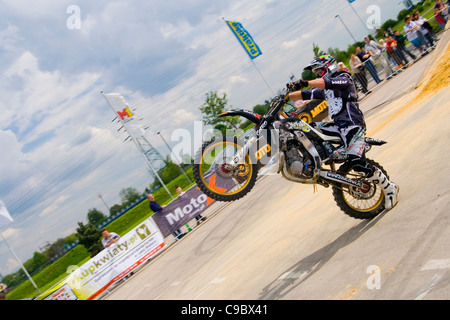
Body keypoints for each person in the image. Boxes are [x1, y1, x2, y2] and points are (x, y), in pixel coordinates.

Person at [286, 55, 398, 210]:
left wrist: (305, 82)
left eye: (319, 70)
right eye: (315, 72)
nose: (317, 73)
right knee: (306, 128)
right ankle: (313, 160)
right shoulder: (325, 89)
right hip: (337, 126)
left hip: (353, 125)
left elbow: (327, 83)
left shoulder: (343, 77)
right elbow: (307, 94)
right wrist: (286, 96)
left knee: (357, 164)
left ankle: (389, 187)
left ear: (329, 66)